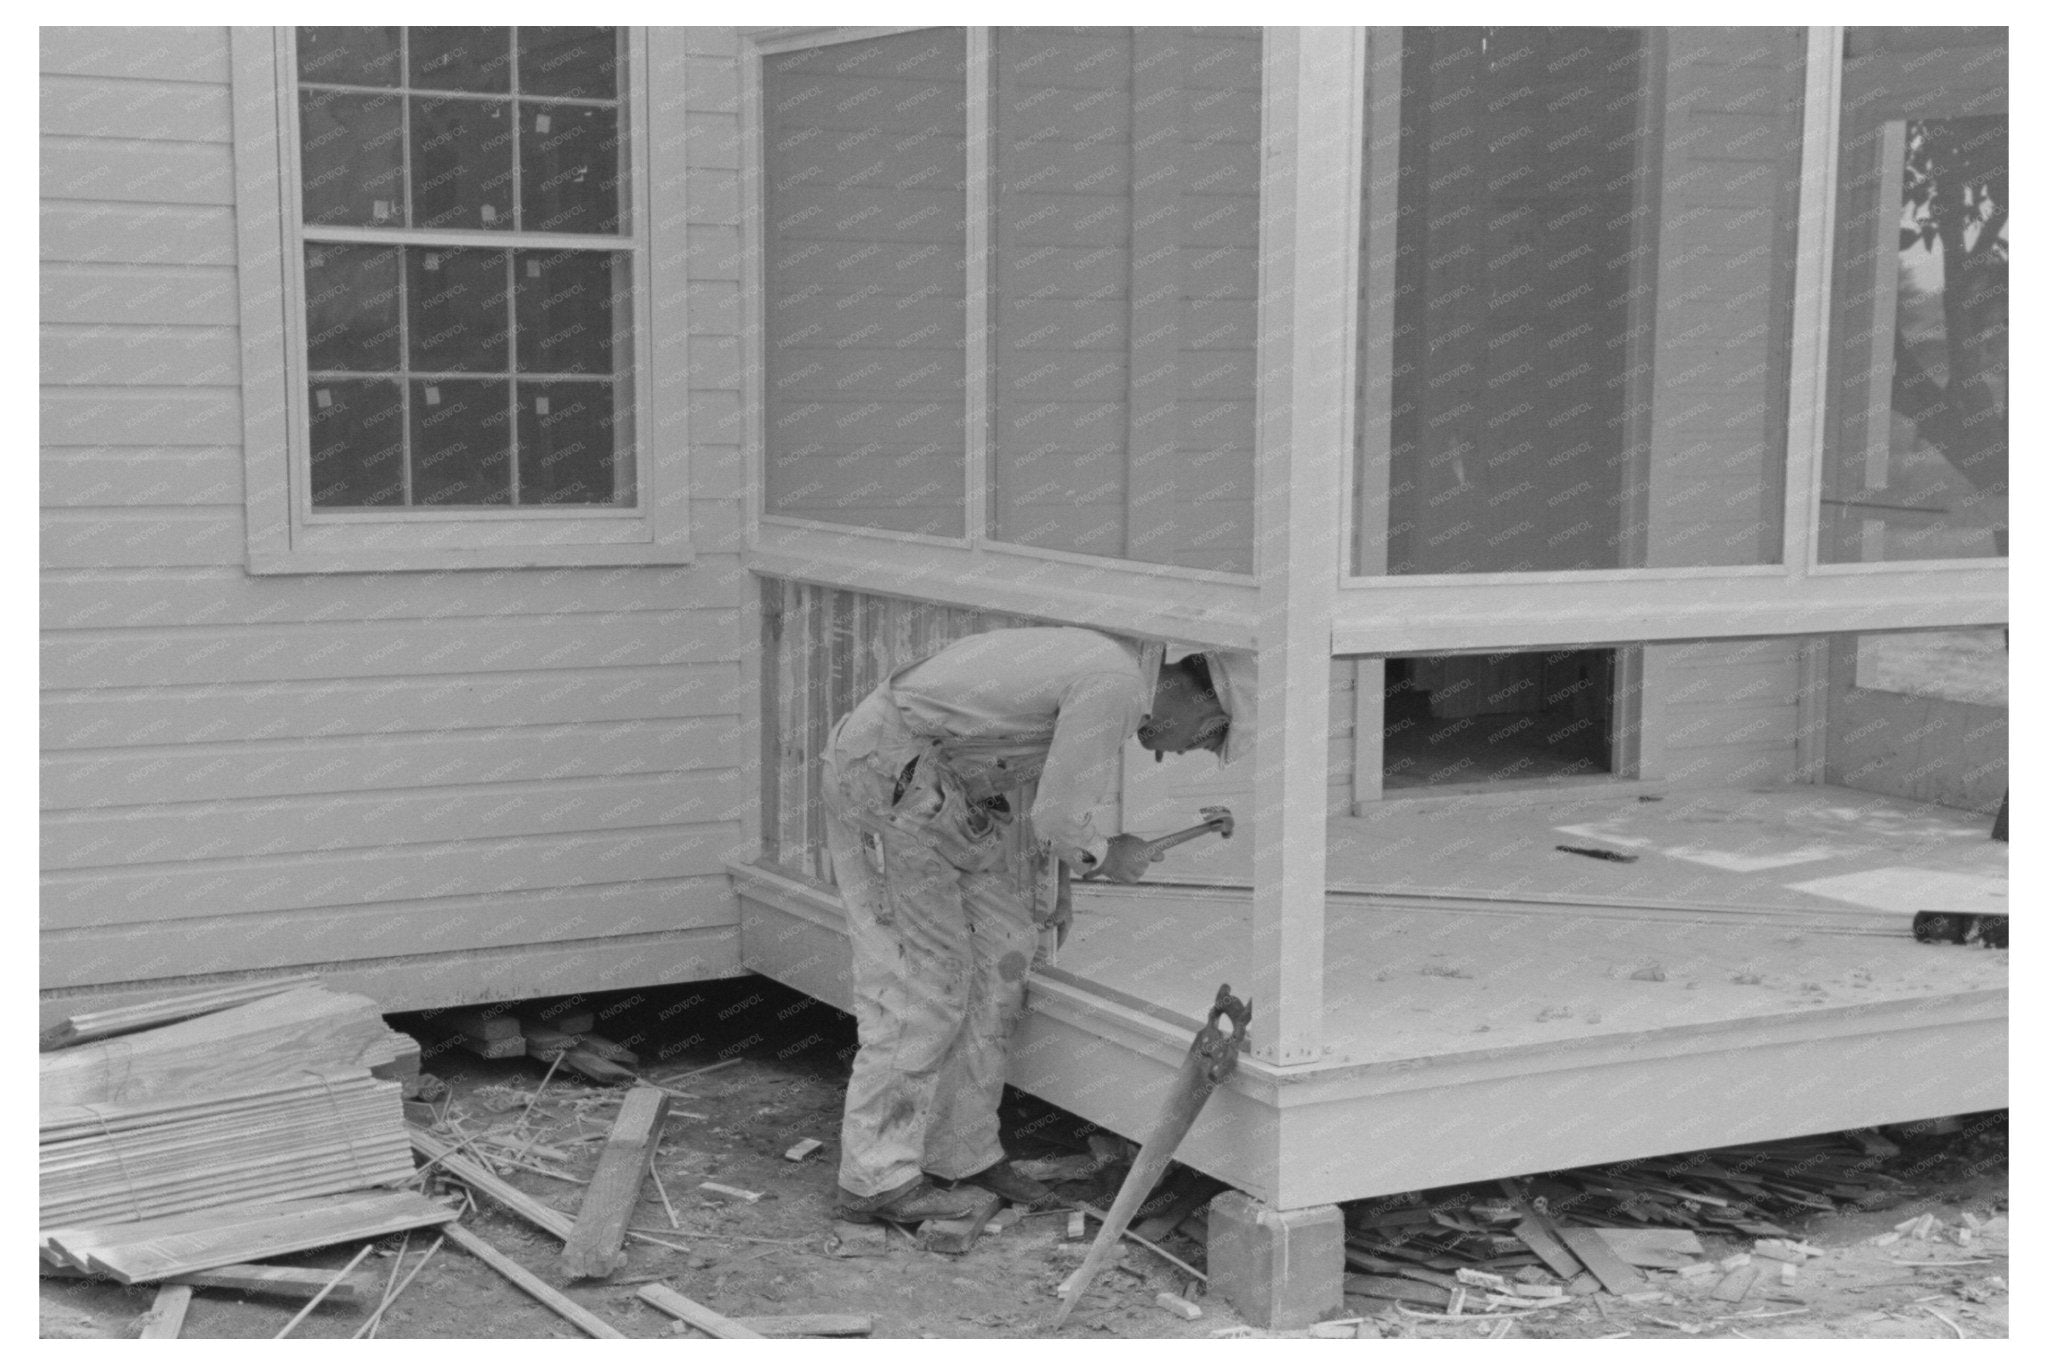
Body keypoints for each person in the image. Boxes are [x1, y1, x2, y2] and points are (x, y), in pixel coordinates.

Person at [820, 626, 1237, 1226]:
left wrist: (1065, 878)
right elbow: (1060, 816)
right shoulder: (1115, 685)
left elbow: (1046, 779)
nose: (1172, 753)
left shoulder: (1114, 678)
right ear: (1204, 698)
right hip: (889, 781)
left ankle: (961, 1153)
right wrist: (1105, 854)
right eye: (1207, 737)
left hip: (936, 794)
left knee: (1005, 948)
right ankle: (874, 1179)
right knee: (922, 982)